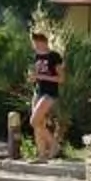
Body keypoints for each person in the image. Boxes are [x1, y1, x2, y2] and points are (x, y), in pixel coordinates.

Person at [29, 30, 65, 159]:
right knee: (39, 124)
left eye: (37, 43)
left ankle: (54, 145)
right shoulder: (35, 56)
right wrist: (33, 77)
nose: (35, 46)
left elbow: (61, 79)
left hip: (50, 93)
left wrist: (40, 76)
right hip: (37, 91)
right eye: (34, 43)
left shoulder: (54, 56)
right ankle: (42, 155)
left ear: (43, 42)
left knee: (34, 121)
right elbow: (34, 74)